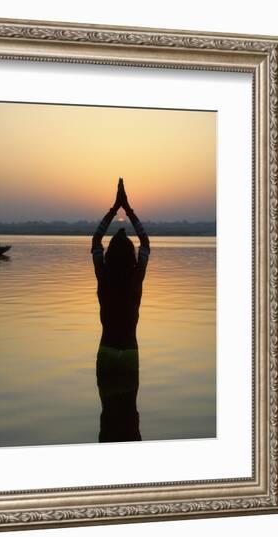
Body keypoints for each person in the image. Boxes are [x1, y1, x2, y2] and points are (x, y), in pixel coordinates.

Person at [91, 178, 150, 442]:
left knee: (108, 418)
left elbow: (94, 242)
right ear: (131, 257)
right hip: (128, 353)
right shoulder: (135, 279)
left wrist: (115, 208)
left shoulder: (104, 277)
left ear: (109, 256)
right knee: (130, 418)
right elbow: (146, 244)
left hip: (106, 352)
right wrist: (129, 209)